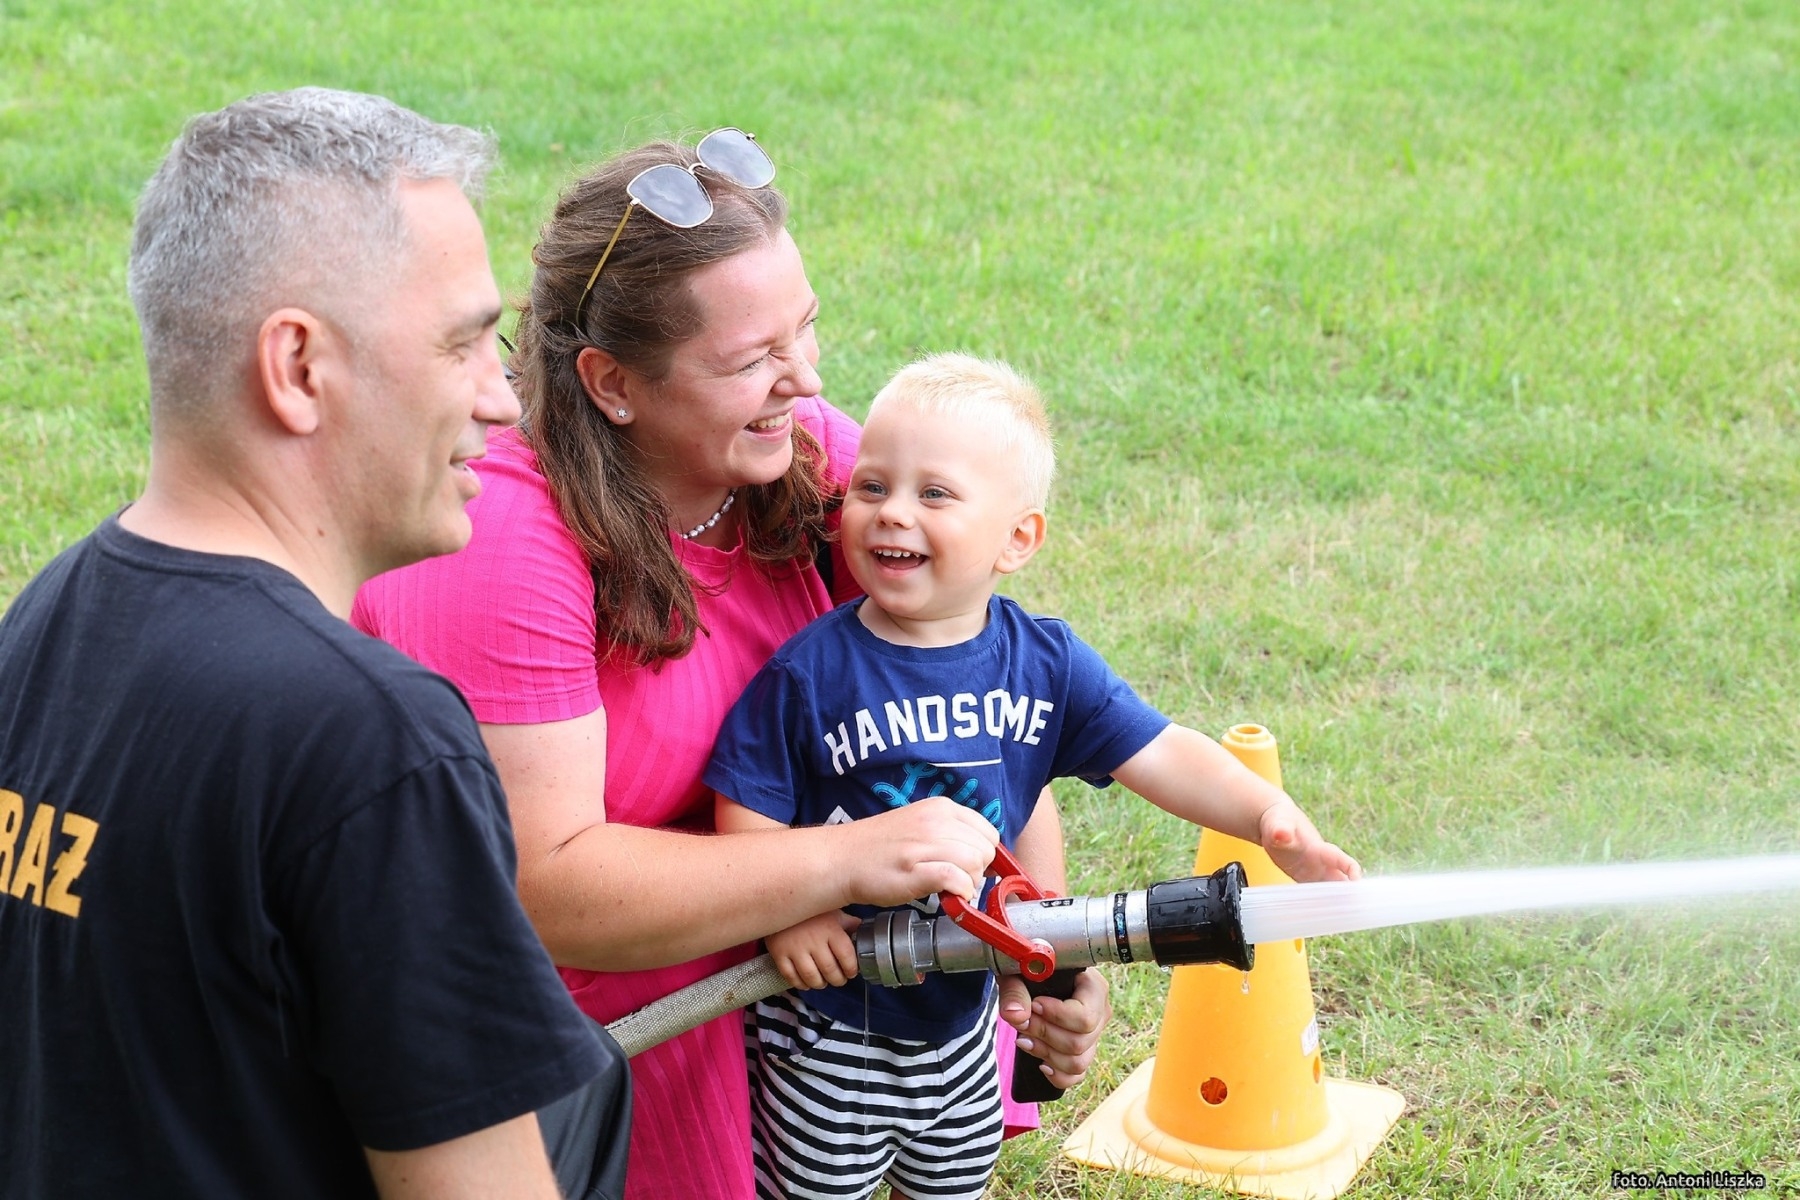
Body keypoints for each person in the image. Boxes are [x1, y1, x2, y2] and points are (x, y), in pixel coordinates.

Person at [351, 130, 1107, 1199]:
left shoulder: (807, 454)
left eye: (805, 329)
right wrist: (843, 863)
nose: (807, 379)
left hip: (801, 964)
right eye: (753, 360)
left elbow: (979, 692)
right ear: (614, 383)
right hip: (586, 1017)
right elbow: (544, 890)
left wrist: (1042, 939)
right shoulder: (504, 544)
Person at [0, 88, 627, 1200]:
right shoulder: (370, 741)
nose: (502, 402)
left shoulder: (41, 624)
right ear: (297, 368)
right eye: (462, 344)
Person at [705, 353, 1363, 1200]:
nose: (892, 511)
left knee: (951, 1181)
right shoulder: (811, 672)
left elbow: (1159, 750)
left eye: (934, 494)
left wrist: (1266, 813)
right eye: (872, 485)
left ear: (1017, 538)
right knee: (815, 1188)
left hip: (965, 1020)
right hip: (832, 1025)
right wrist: (794, 914)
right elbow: (747, 799)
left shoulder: (1044, 665)